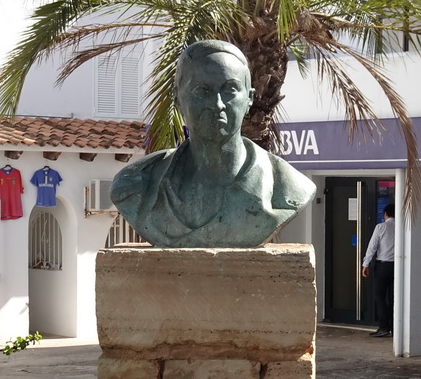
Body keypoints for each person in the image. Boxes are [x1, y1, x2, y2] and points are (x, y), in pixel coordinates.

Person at [111, 40, 316, 247]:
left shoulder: (287, 188)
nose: (217, 104)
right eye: (202, 91)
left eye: (230, 90)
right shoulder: (137, 184)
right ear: (178, 99)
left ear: (250, 99)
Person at [362, 203, 395, 337]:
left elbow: (372, 247)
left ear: (385, 214)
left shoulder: (381, 227)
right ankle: (395, 327)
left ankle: (383, 327)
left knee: (379, 296)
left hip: (383, 266)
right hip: (398, 267)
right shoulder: (403, 227)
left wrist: (365, 264)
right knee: (394, 298)